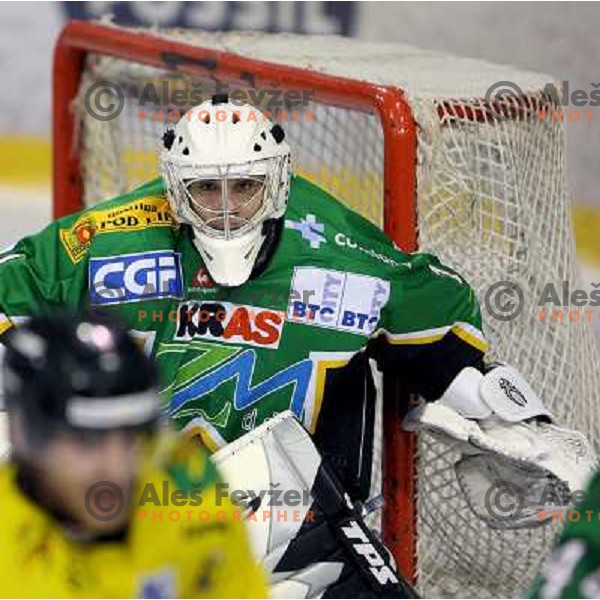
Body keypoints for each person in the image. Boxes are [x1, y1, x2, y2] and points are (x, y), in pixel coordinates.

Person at [0, 97, 594, 595]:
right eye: (207, 189)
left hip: (295, 520)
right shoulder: (112, 238)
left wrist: (515, 419)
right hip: (133, 502)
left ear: (278, 182)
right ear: (175, 190)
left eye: (246, 189)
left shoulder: (343, 254)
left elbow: (436, 335)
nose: (228, 211)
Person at [0, 311, 266, 598]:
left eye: (133, 435)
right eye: (88, 441)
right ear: (23, 434)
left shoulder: (190, 490)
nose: (118, 468)